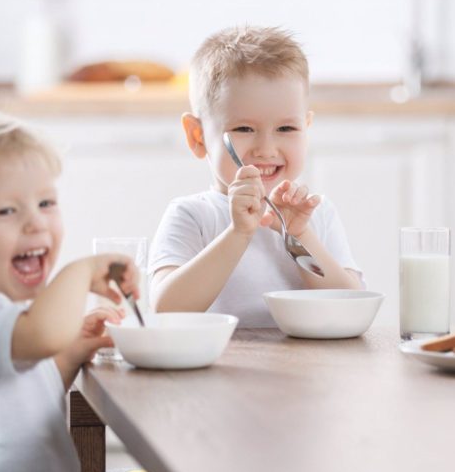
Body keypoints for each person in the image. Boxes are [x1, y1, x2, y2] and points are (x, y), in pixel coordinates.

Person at [0, 106, 167, 472]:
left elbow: (22, 385)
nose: (36, 224)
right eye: (6, 211)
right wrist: (81, 272)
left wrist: (70, 352)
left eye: (46, 203)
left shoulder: (0, 320)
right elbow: (43, 333)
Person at [149, 26, 364, 326]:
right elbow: (167, 309)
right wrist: (238, 233)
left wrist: (300, 236)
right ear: (197, 136)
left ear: (307, 127)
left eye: (286, 129)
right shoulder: (192, 215)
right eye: (244, 129)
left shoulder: (318, 215)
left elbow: (350, 306)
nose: (266, 149)